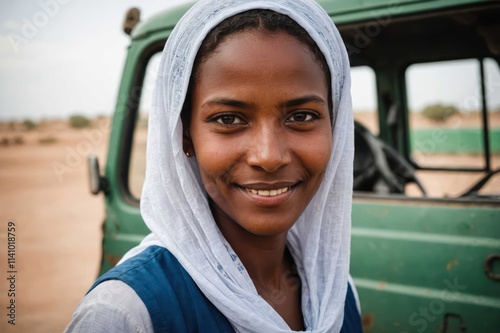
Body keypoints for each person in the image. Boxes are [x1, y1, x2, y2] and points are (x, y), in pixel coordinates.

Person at [65, 0, 361, 332]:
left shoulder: (335, 289)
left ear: (337, 129)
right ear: (185, 136)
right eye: (228, 119)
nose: (268, 156)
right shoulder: (126, 313)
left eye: (302, 116)